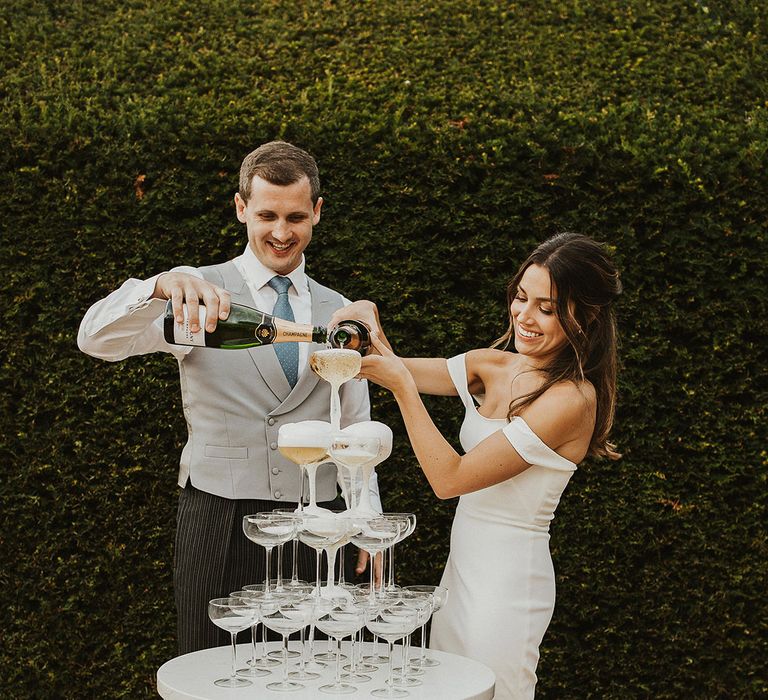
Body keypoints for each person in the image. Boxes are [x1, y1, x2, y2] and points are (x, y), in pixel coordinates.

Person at [78, 140, 381, 654]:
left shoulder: (340, 310)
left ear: (317, 214)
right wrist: (156, 286)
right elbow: (96, 341)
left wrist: (365, 520)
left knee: (309, 671)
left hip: (319, 522)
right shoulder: (196, 293)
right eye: (266, 215)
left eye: (296, 217)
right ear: (241, 208)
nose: (281, 233)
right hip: (218, 518)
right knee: (211, 667)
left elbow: (354, 426)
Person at [329, 232, 621, 700]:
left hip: (507, 585)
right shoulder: (494, 365)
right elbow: (382, 363)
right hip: (460, 572)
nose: (525, 316)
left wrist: (403, 391)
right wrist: (365, 315)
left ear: (584, 315)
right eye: (522, 298)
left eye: (547, 308)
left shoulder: (572, 398)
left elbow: (451, 480)